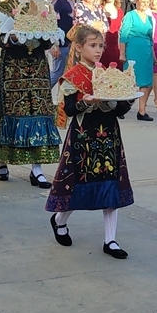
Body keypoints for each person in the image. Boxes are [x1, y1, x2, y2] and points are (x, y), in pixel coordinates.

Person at [46, 25, 136, 259]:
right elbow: (71, 108)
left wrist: (125, 99)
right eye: (92, 46)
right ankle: (59, 219)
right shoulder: (73, 76)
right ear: (78, 47)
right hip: (83, 137)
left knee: (111, 184)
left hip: (109, 135)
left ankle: (111, 240)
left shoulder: (107, 74)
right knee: (78, 185)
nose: (98, 51)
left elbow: (121, 107)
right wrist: (86, 101)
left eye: (100, 46)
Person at [0, 0, 63, 186]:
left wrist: (46, 37)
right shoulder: (2, 8)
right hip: (12, 68)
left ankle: (36, 168)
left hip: (36, 68)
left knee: (38, 114)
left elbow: (48, 37)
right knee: (7, 113)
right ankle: (2, 160)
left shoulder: (41, 6)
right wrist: (15, 38)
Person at [119, 0, 156, 120]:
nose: (145, 4)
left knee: (146, 82)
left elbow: (150, 38)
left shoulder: (150, 18)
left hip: (146, 52)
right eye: (143, 1)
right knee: (130, 80)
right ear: (137, 1)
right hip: (133, 49)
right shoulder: (130, 15)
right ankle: (121, 107)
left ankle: (142, 111)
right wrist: (122, 53)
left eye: (147, 2)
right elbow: (124, 34)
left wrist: (153, 55)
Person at [50, 0, 79, 86]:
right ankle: (42, 95)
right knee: (56, 74)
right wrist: (54, 44)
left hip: (68, 43)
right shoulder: (59, 1)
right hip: (60, 45)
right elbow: (51, 22)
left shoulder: (71, 0)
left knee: (66, 75)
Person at [101, 0, 123, 69]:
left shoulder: (119, 11)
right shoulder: (100, 9)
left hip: (115, 46)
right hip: (103, 45)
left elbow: (121, 29)